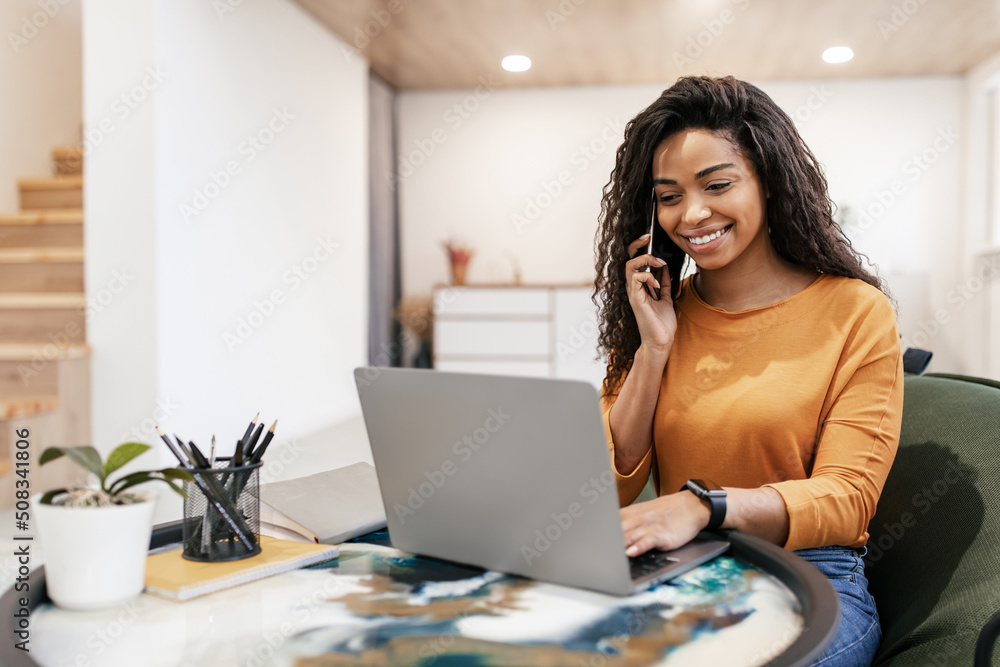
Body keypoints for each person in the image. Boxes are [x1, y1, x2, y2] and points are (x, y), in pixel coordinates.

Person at [593, 76, 903, 666]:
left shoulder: (855, 312)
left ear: (770, 182)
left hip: (809, 575)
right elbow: (607, 491)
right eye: (669, 196)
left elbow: (848, 499)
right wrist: (653, 351)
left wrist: (703, 506)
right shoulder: (658, 313)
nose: (693, 213)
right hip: (676, 564)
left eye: (718, 184)